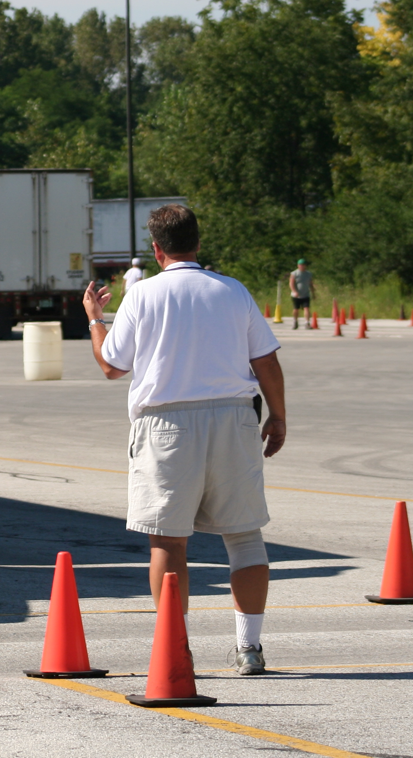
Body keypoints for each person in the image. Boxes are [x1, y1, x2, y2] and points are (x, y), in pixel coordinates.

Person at [81, 203, 287, 676]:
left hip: (167, 425)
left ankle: (178, 649)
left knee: (169, 542)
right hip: (235, 418)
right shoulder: (233, 291)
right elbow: (267, 363)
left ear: (157, 250)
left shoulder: (143, 296)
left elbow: (112, 365)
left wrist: (96, 317)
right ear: (197, 242)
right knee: (244, 535)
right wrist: (277, 416)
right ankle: (249, 648)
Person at [288, 259, 313, 329]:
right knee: (296, 309)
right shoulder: (294, 273)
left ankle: (307, 323)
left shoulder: (308, 274)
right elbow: (291, 283)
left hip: (306, 294)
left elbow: (311, 284)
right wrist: (294, 291)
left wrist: (313, 293)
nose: (302, 266)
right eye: (300, 265)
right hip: (296, 295)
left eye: (303, 265)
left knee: (306, 308)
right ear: (298, 265)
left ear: (305, 266)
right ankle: (295, 321)